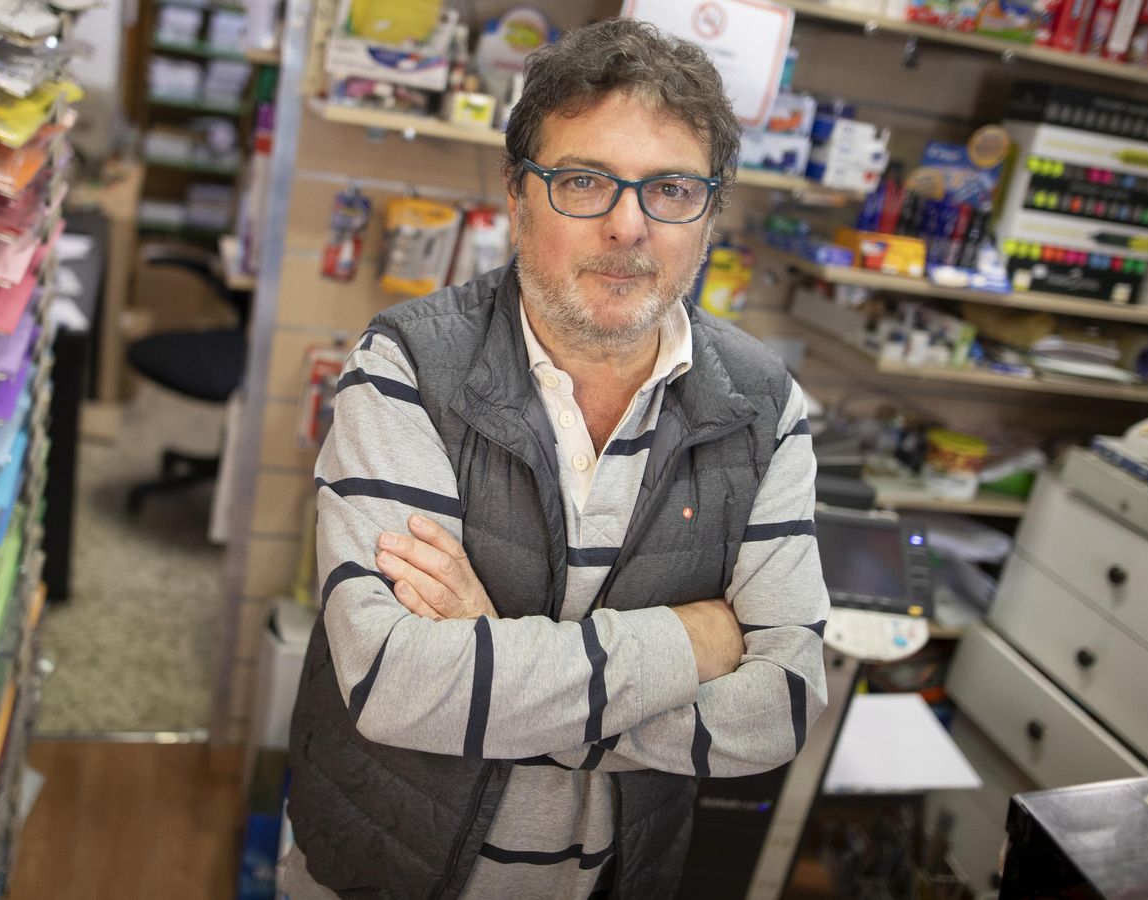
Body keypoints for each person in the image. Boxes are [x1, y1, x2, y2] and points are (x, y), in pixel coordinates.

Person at [281, 17, 829, 900]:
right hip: (386, 872)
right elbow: (393, 682)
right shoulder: (407, 370)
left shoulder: (763, 409)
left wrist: (491, 658)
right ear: (517, 193)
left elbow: (785, 708)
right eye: (583, 181)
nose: (628, 226)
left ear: (710, 213)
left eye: (672, 190)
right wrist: (693, 641)